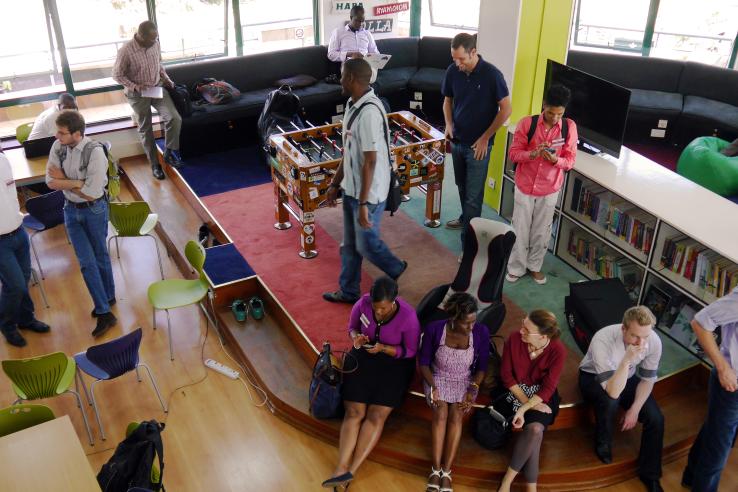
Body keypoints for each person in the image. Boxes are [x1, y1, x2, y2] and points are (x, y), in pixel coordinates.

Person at [321, 276, 420, 489]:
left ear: (394, 301)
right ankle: (341, 467)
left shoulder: (408, 316)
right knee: (354, 412)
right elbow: (352, 327)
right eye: (375, 308)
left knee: (375, 416)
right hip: (365, 357)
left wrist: (384, 348)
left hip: (395, 364)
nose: (378, 313)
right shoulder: (363, 303)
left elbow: (411, 351)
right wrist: (356, 337)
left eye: (383, 309)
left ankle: (350, 472)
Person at [322, 58, 406, 304]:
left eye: (341, 75)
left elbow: (370, 161)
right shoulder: (352, 104)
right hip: (352, 188)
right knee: (350, 244)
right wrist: (335, 184)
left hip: (368, 195)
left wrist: (361, 204)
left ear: (350, 78)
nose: (339, 80)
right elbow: (349, 151)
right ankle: (349, 291)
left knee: (366, 244)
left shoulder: (369, 113)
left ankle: (397, 268)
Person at [45, 110, 117, 338]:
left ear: (77, 134)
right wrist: (77, 182)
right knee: (86, 262)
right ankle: (105, 311)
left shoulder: (95, 152)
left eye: (62, 133)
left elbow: (91, 192)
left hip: (94, 209)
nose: (57, 136)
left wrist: (65, 181)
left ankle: (109, 295)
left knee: (100, 255)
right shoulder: (58, 147)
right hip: (70, 210)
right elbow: (49, 181)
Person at [579, 306, 664, 492]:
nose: (641, 343)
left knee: (656, 418)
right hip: (592, 377)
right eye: (635, 336)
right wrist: (626, 360)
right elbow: (612, 391)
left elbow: (648, 380)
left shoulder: (654, 341)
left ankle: (650, 475)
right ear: (623, 328)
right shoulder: (602, 339)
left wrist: (634, 410)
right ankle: (603, 442)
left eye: (645, 336)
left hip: (627, 376)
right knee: (611, 401)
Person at [442, 33, 511, 253]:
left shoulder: (493, 75)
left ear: (473, 52)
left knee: (473, 197)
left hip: (478, 148)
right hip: (457, 142)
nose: (457, 63)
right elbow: (447, 101)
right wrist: (448, 124)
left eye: (461, 59)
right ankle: (466, 220)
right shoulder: (453, 71)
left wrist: (485, 138)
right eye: (454, 58)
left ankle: (469, 248)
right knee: (461, 187)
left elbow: (506, 109)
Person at [506, 84, 577, 285]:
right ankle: (516, 267)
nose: (555, 118)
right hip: (525, 185)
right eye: (551, 112)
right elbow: (513, 153)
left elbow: (570, 160)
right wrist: (533, 153)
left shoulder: (569, 127)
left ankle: (534, 267)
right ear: (544, 105)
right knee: (520, 228)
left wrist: (556, 161)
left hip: (550, 187)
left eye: (559, 113)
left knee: (542, 230)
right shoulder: (526, 124)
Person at [418, 292, 490, 492]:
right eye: (466, 323)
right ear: (453, 319)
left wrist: (473, 388)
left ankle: (446, 472)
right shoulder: (434, 329)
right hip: (437, 377)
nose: (471, 327)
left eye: (474, 321)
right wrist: (433, 387)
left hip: (466, 380)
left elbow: (482, 368)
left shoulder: (481, 332)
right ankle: (435, 469)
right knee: (440, 412)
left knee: (457, 414)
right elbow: (423, 363)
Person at [497, 310, 565, 492]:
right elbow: (506, 376)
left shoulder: (558, 350)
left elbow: (548, 388)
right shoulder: (514, 339)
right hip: (514, 391)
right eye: (522, 325)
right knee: (536, 432)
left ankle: (507, 481)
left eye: (526, 330)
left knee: (535, 429)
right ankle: (531, 488)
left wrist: (525, 408)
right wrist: (525, 405)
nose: (521, 331)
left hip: (541, 396)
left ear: (543, 336)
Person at [682, 287, 738, 491]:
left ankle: (690, 476)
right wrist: (723, 369)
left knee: (714, 433)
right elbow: (700, 323)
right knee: (718, 453)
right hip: (732, 385)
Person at [112, 20, 183, 181]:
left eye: (156, 38)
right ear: (141, 36)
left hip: (156, 88)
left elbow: (158, 64)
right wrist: (135, 86)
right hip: (137, 93)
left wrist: (166, 78)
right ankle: (154, 165)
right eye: (151, 39)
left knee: (173, 118)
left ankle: (169, 152)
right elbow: (117, 75)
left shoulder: (155, 44)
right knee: (146, 128)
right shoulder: (126, 51)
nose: (154, 41)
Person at [0, 143, 50, 347]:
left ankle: (26, 318)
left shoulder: (4, 160)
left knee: (24, 279)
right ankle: (7, 324)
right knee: (15, 285)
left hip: (18, 231)